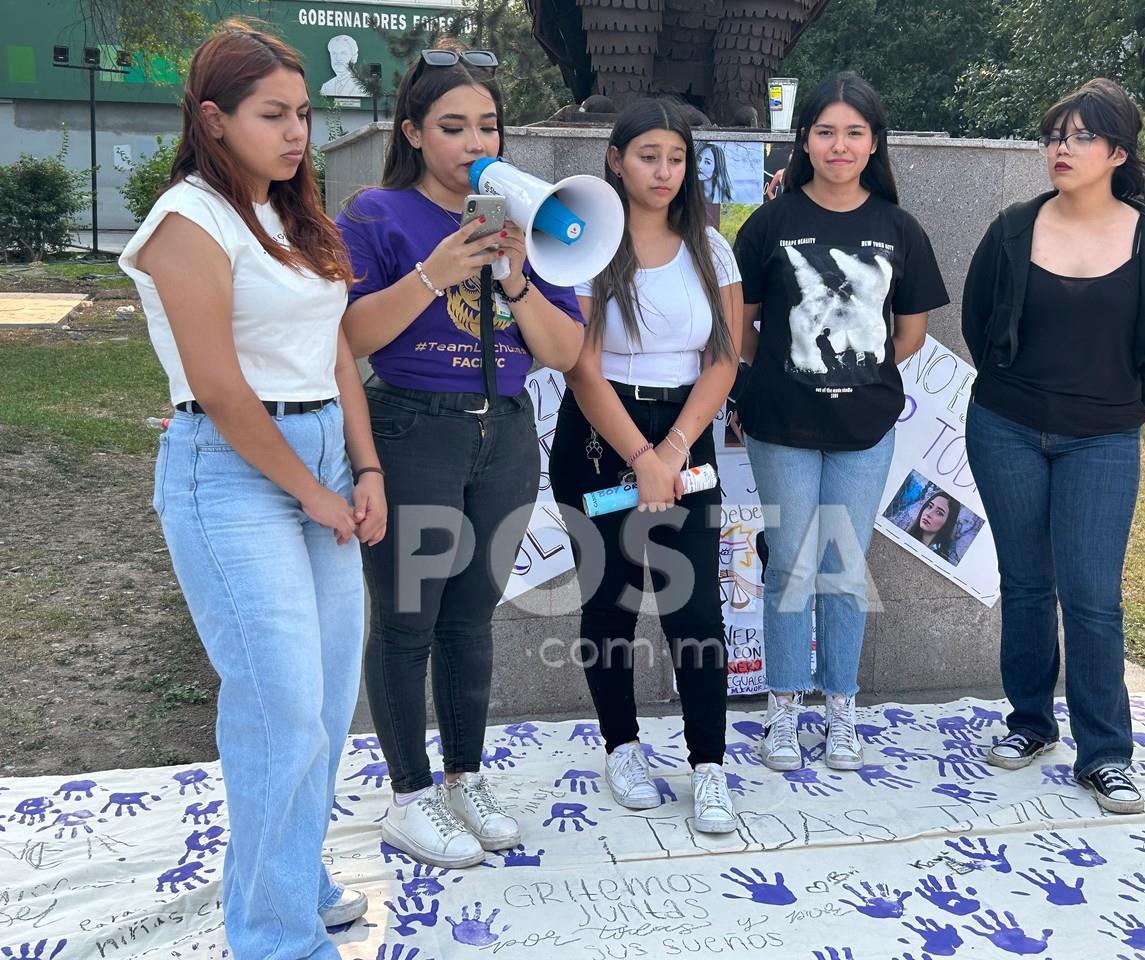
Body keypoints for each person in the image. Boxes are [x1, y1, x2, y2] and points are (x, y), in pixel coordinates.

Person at [118, 21, 386, 958]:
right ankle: (274, 938)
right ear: (213, 118)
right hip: (232, 472)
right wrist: (312, 493)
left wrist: (364, 469)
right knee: (277, 704)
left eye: (304, 114)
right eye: (273, 115)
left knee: (319, 700)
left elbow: (336, 352)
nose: (296, 132)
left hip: (318, 455)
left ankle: (294, 877)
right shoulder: (188, 221)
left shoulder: (291, 216)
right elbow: (222, 386)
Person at [336, 47, 585, 868]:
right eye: (452, 126)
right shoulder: (378, 214)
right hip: (413, 428)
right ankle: (409, 797)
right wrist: (433, 272)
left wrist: (514, 275)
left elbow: (564, 348)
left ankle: (463, 778)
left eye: (487, 125)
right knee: (408, 620)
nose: (473, 140)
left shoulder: (526, 216)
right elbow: (347, 338)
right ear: (412, 131)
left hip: (505, 432)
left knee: (471, 620)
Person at [962, 78, 1145, 815]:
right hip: (1006, 426)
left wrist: (1111, 407)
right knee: (1026, 583)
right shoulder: (1013, 226)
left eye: (1082, 135)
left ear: (1118, 152)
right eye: (1056, 134)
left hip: (1104, 437)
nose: (1062, 147)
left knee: (1092, 596)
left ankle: (1106, 755)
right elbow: (979, 321)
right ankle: (1030, 723)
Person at [732, 72, 948, 772]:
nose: (839, 144)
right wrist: (775, 375)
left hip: (866, 429)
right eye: (825, 130)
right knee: (790, 565)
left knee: (844, 567)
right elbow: (740, 326)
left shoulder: (897, 228)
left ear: (874, 142)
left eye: (855, 131)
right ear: (805, 139)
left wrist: (856, 378)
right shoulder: (772, 221)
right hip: (779, 426)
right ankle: (783, 711)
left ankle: (842, 709)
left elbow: (908, 333)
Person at [548, 98, 744, 833]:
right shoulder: (587, 247)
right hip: (602, 439)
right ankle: (622, 746)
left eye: (677, 158)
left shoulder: (711, 247)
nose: (664, 172)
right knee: (612, 603)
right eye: (648, 156)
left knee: (696, 608)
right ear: (615, 159)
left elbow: (723, 358)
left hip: (685, 436)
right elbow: (582, 366)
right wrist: (639, 452)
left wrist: (673, 449)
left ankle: (709, 764)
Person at [907, 491, 959, 564]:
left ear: (948, 522)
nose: (928, 514)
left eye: (939, 513)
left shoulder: (942, 561)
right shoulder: (905, 537)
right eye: (930, 506)